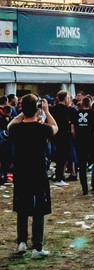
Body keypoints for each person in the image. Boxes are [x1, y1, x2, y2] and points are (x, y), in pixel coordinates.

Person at [8, 95, 57, 258]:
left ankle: (21, 242)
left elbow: (10, 125)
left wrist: (21, 114)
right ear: (36, 109)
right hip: (38, 172)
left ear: (22, 108)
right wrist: (46, 111)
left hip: (21, 172)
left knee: (22, 206)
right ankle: (37, 247)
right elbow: (55, 127)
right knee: (39, 209)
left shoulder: (16, 128)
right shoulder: (42, 129)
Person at [73, 95, 94, 196]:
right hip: (91, 142)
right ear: (89, 104)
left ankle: (84, 189)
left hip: (80, 143)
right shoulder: (93, 115)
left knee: (82, 166)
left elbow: (73, 130)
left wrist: (77, 139)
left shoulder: (76, 114)